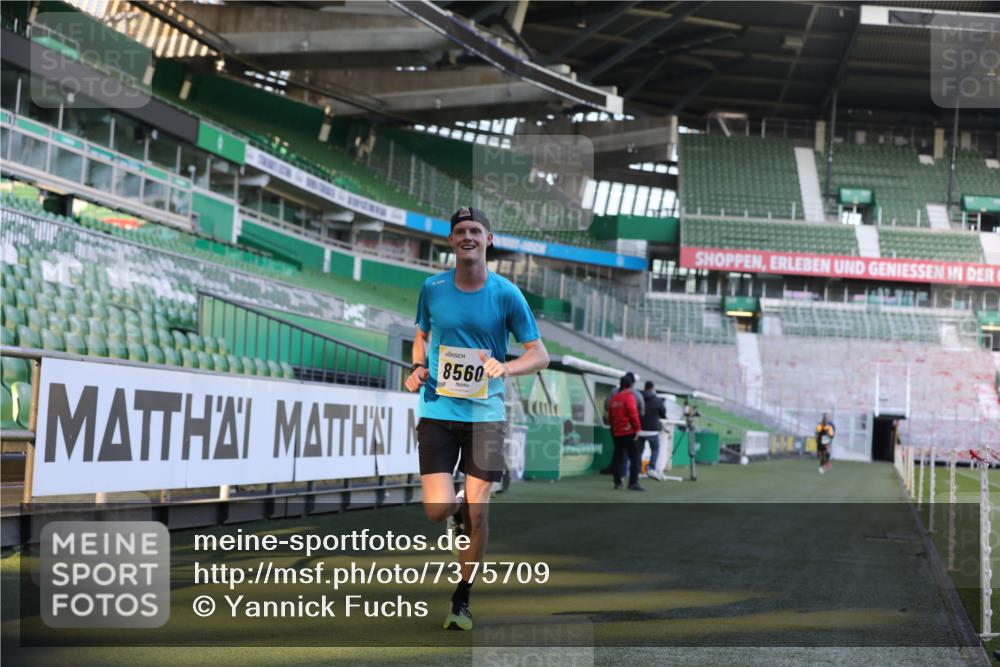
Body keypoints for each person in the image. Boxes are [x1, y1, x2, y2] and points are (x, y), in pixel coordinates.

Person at [404, 206, 550, 631]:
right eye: (460, 231)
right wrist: (417, 368)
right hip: (437, 409)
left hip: (486, 415)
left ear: (489, 240)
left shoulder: (507, 294)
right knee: (439, 508)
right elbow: (422, 336)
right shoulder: (431, 288)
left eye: (475, 230)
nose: (467, 236)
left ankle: (461, 598)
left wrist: (507, 366)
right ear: (451, 241)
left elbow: (539, 354)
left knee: (479, 510)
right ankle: (453, 516)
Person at [601, 372, 645, 476]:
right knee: (634, 455)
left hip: (616, 428)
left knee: (619, 453)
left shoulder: (614, 394)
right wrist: (637, 428)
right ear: (632, 383)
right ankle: (632, 480)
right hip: (630, 428)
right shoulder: (635, 395)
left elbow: (607, 407)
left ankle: (618, 477)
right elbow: (639, 412)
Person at [638, 381, 667, 480]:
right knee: (655, 449)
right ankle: (651, 468)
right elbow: (663, 414)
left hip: (639, 429)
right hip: (653, 430)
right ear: (653, 388)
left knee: (639, 451)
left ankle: (637, 470)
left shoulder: (638, 397)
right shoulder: (658, 400)